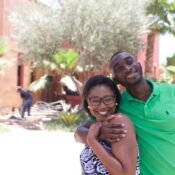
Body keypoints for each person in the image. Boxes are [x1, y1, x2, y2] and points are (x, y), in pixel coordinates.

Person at [75, 51, 175, 175]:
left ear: (139, 65)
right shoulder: (116, 106)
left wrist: (94, 138)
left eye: (129, 62)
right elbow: (79, 132)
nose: (127, 68)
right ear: (115, 79)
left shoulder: (171, 92)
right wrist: (100, 133)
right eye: (119, 68)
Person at [79, 75, 140, 175]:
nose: (102, 106)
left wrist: (92, 141)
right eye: (95, 100)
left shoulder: (119, 122)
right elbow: (78, 132)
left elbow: (126, 173)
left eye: (108, 99)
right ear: (87, 101)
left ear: (115, 100)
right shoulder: (95, 125)